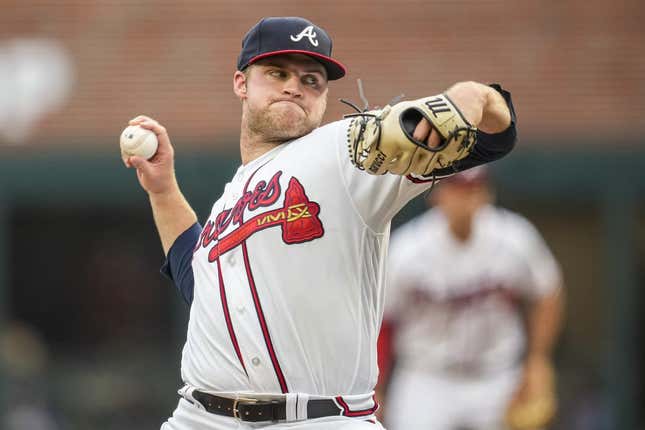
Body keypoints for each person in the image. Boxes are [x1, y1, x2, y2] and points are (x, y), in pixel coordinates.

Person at [121, 16, 517, 430]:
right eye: (278, 73)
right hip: (200, 418)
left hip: (321, 418)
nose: (295, 86)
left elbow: (494, 137)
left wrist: (473, 98)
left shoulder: (343, 155)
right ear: (241, 83)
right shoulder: (229, 201)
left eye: (312, 80)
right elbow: (197, 282)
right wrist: (163, 191)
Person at [376, 166, 564, 430]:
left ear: (487, 194)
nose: (464, 199)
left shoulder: (514, 238)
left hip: (496, 375)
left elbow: (548, 292)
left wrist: (537, 360)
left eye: (473, 190)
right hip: (427, 378)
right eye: (455, 189)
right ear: (436, 195)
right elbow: (383, 320)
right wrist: (378, 387)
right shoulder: (408, 249)